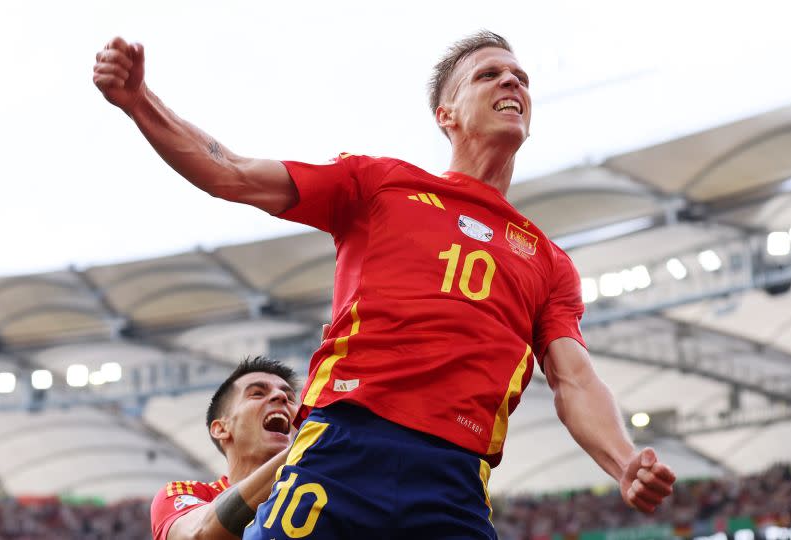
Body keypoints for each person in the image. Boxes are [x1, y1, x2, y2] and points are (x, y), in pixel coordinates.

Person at [95, 31, 677, 539]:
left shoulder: (548, 262)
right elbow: (235, 175)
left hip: (452, 481)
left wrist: (623, 461)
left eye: (521, 77)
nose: (513, 83)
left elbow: (574, 379)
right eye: (490, 74)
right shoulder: (378, 185)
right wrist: (141, 102)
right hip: (342, 450)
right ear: (446, 112)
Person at [149, 356, 299, 540]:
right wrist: (303, 449)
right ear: (220, 429)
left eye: (291, 398)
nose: (281, 396)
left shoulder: (320, 494)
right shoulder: (182, 493)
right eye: (257, 393)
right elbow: (200, 534)